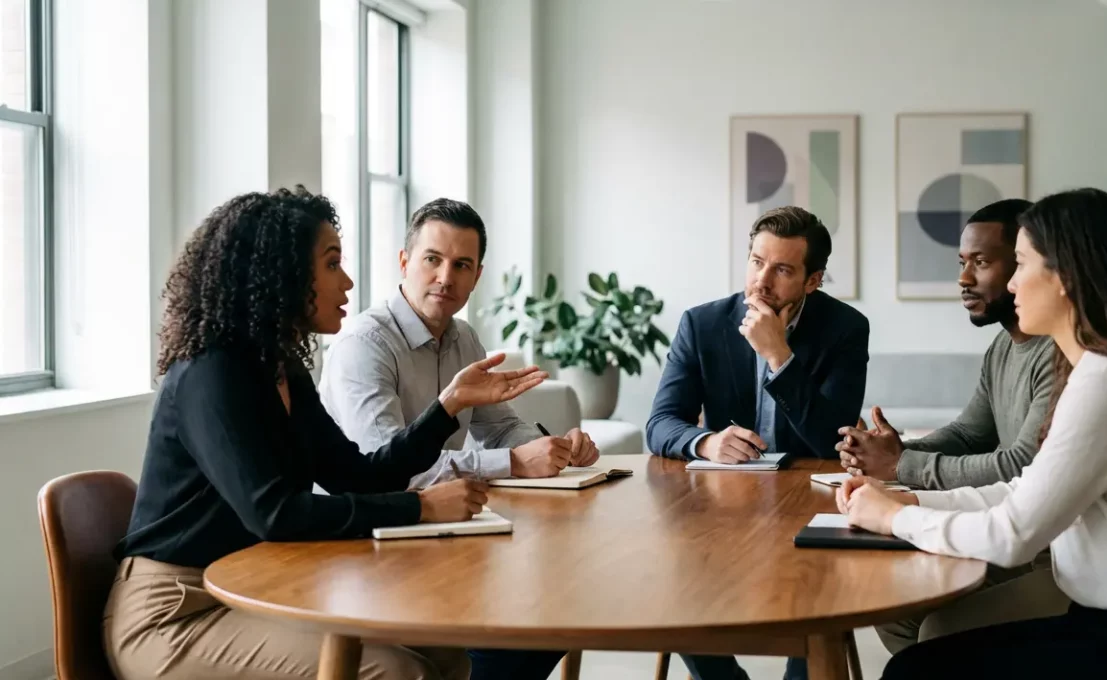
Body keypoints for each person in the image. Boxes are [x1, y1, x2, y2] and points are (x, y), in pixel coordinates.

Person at [105, 187, 548, 680]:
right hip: (176, 612)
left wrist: (450, 405)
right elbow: (275, 514)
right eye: (333, 264)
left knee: (446, 649)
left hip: (250, 590)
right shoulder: (211, 372)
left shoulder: (283, 370)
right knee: (397, 671)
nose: (349, 282)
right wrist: (421, 505)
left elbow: (358, 474)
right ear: (284, 271)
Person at [840, 188, 1107, 680]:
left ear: (1066, 276)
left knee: (918, 671)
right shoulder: (1106, 369)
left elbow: (1012, 537)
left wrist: (894, 518)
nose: (1012, 285)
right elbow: (1022, 490)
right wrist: (909, 504)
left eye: (1021, 264)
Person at [318, 197, 593, 680]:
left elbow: (499, 426)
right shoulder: (363, 345)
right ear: (404, 262)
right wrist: (513, 462)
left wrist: (555, 449)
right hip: (365, 538)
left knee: (562, 608)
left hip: (440, 532)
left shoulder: (464, 337)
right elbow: (385, 468)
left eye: (462, 265)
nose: (447, 277)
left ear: (477, 275)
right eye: (433, 260)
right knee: (516, 628)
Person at [646, 205, 869, 680]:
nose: (761, 282)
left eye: (782, 269)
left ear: (813, 281)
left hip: (810, 507)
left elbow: (831, 441)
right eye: (755, 261)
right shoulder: (702, 324)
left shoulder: (846, 329)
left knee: (813, 605)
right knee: (677, 586)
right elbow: (661, 423)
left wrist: (778, 354)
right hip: (720, 512)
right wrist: (705, 443)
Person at [837, 199, 1067, 652]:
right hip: (1023, 530)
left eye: (982, 262)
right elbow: (968, 434)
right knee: (898, 607)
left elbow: (1022, 465)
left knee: (928, 618)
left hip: (1054, 556)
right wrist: (892, 451)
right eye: (962, 263)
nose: (963, 279)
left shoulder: (1066, 358)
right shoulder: (1004, 348)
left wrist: (902, 467)